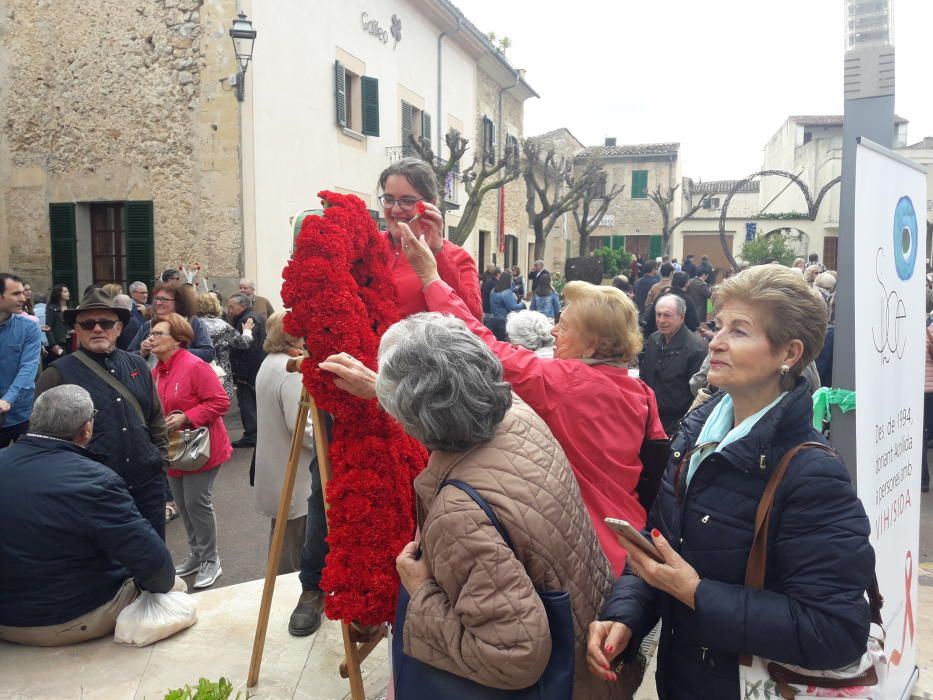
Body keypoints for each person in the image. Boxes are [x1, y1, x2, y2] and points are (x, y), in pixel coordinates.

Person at [588, 264, 875, 700]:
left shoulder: (813, 473)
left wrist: (698, 594)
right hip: (682, 680)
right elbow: (660, 546)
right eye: (718, 326)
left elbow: (836, 631)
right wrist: (625, 615)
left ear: (789, 353)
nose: (716, 342)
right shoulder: (694, 432)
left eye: (739, 331)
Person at [333, 222, 665, 575]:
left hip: (588, 549)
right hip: (630, 539)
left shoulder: (565, 382)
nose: (553, 331)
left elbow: (483, 347)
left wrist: (430, 277)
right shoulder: (640, 392)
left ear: (593, 344)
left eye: (565, 326)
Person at [377, 313, 622, 699]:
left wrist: (421, 589)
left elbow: (513, 655)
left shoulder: (458, 513)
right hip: (591, 658)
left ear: (408, 417)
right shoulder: (517, 416)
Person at [0, 385, 175, 646]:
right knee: (174, 590)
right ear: (87, 429)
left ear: (34, 420)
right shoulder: (94, 480)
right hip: (75, 616)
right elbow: (153, 563)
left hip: (6, 618)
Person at [36, 288, 170, 537]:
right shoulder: (57, 374)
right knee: (105, 565)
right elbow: (41, 441)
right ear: (76, 329)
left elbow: (155, 418)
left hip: (147, 485)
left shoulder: (138, 364)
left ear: (118, 328)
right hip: (93, 493)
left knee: (154, 558)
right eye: (88, 324)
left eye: (106, 323)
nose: (97, 329)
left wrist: (160, 461)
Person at [150, 313, 232, 589]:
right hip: (173, 449)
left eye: (158, 334)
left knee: (197, 503)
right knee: (183, 505)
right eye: (152, 333)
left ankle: (212, 559)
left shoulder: (195, 365)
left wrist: (186, 416)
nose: (152, 338)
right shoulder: (157, 369)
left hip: (201, 448)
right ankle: (197, 554)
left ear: (177, 341)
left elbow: (220, 402)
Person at [378, 157, 482, 320]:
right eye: (389, 199)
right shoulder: (367, 246)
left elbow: (474, 319)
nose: (395, 209)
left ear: (430, 203)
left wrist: (438, 253)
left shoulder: (457, 257)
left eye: (407, 201)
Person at [254, 312, 315, 574]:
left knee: (282, 540)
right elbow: (301, 426)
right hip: (294, 471)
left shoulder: (270, 361)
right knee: (293, 547)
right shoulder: (291, 369)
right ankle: (286, 598)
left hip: (275, 464)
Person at [641, 295, 707, 434]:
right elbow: (645, 374)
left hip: (675, 422)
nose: (661, 320)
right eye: (658, 315)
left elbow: (696, 392)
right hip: (649, 414)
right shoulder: (654, 340)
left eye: (667, 315)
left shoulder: (695, 348)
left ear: (681, 317)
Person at [127, 280, 216, 363]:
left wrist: (174, 350)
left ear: (178, 303)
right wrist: (142, 352)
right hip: (153, 378)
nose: (158, 303)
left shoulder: (192, 322)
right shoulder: (148, 325)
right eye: (156, 299)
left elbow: (208, 353)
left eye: (164, 300)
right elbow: (129, 356)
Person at [0, 273, 43, 447]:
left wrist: (7, 400)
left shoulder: (30, 327)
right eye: (16, 294)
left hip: (21, 414)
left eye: (23, 293)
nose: (23, 298)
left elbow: (29, 367)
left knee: (27, 468)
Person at [226, 292, 266, 448]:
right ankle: (255, 433)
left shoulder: (247, 320)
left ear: (242, 306)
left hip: (248, 371)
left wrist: (241, 373)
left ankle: (252, 435)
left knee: (247, 402)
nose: (229, 310)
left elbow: (248, 348)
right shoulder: (251, 317)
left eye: (232, 306)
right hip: (254, 369)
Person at [195, 292, 238, 401]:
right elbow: (243, 343)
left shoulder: (194, 325)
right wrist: (247, 331)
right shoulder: (224, 325)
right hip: (222, 371)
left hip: (201, 368)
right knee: (219, 403)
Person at [642, 272, 700, 337]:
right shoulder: (687, 300)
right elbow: (694, 324)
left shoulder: (660, 297)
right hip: (679, 339)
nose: (662, 320)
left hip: (659, 339)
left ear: (672, 282)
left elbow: (651, 320)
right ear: (686, 283)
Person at [487, 270, 524, 341]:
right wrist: (522, 305)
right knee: (505, 342)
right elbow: (513, 307)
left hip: (494, 319)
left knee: (497, 340)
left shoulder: (493, 290)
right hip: (504, 320)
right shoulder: (507, 292)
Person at [46, 283, 72, 359]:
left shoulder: (70, 308)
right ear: (58, 294)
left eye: (67, 291)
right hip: (59, 342)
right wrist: (53, 344)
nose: (68, 293)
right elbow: (48, 328)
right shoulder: (52, 309)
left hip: (71, 341)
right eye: (65, 291)